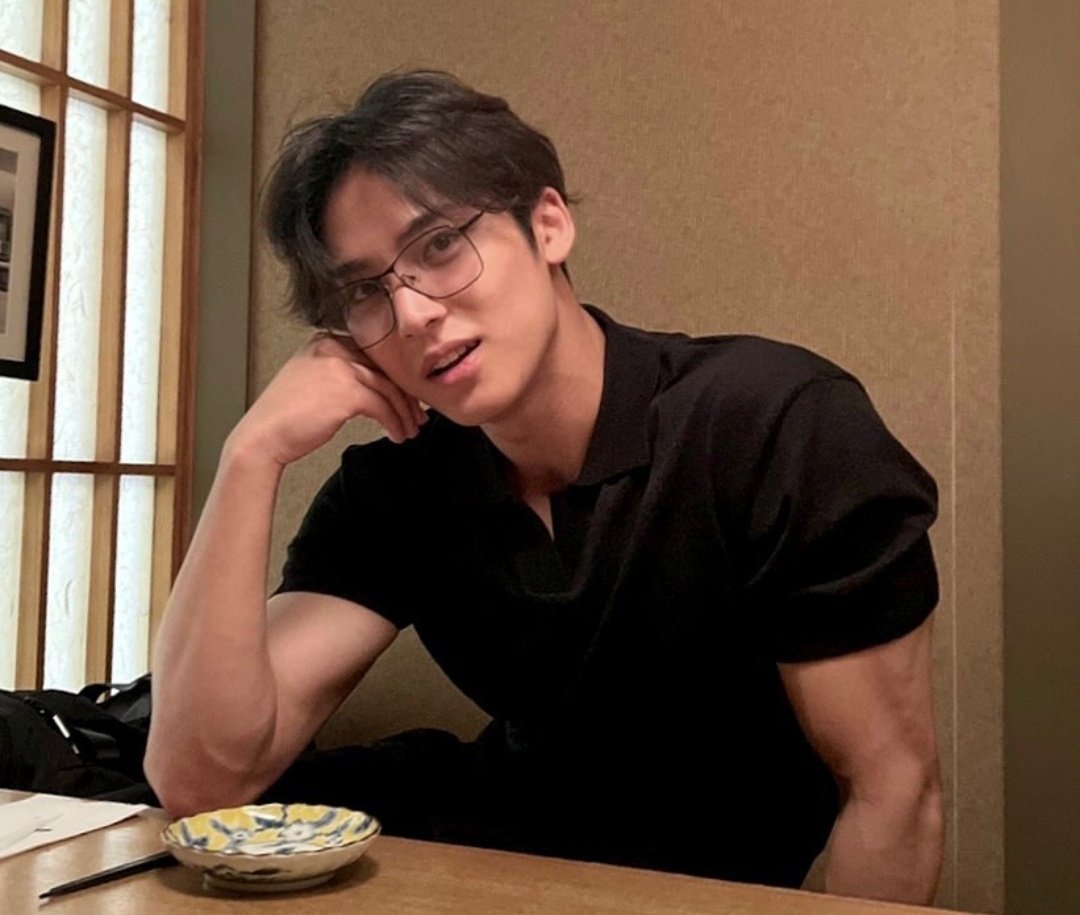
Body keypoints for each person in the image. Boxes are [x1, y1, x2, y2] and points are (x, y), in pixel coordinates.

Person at [145, 70, 944, 903]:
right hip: (491, 876)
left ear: (549, 224)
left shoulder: (776, 424)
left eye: (439, 245)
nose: (412, 314)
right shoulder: (401, 485)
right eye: (364, 291)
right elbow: (203, 780)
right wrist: (252, 454)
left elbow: (894, 794)